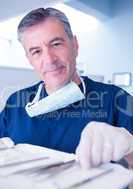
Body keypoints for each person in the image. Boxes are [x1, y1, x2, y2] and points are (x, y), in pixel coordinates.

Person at [0, 7, 133, 171]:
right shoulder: (15, 103)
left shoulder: (116, 99)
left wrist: (130, 147)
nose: (49, 59)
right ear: (29, 59)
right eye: (36, 51)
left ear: (75, 45)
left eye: (56, 44)